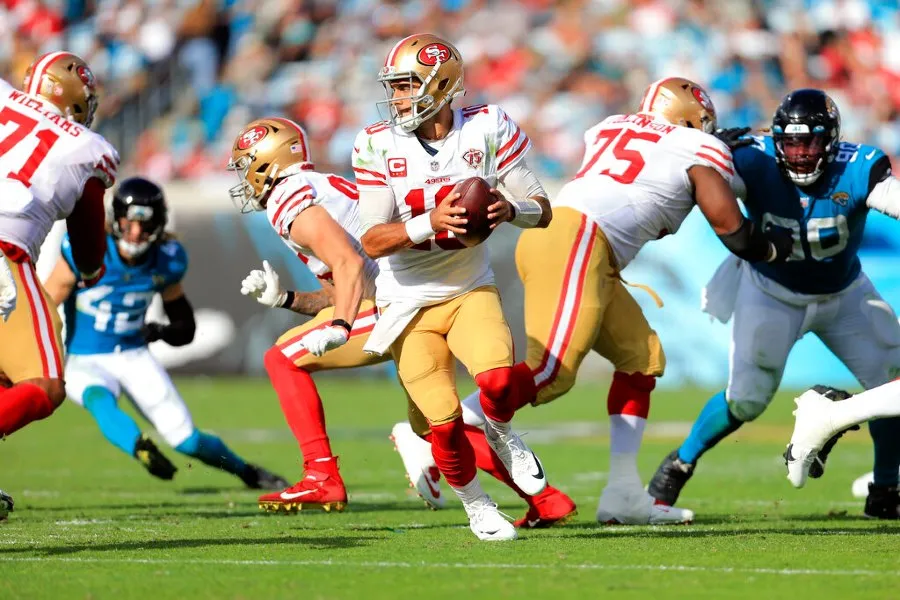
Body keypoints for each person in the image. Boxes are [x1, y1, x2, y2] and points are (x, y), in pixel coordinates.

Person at [232, 115, 574, 523]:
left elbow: (349, 268)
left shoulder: (288, 196)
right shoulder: (315, 186)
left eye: (245, 164)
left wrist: (340, 325)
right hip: (396, 296)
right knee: (435, 426)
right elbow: (342, 285)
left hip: (399, 301)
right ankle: (546, 499)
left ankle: (321, 472)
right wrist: (285, 298)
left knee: (281, 359)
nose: (243, 176)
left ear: (265, 161)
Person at [649, 89, 900, 520]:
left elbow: (891, 199)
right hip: (771, 292)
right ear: (777, 140)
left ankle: (887, 487)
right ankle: (679, 462)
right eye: (791, 143)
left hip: (844, 292)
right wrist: (706, 157)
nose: (801, 155)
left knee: (892, 383)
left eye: (811, 143)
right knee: (746, 400)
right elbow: (691, 186)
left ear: (832, 141)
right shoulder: (753, 160)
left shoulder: (859, 167)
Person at [355, 33, 553, 541]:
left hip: (468, 288)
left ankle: (504, 432)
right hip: (406, 304)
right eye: (394, 87)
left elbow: (541, 207)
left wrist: (512, 210)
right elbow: (373, 240)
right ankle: (476, 505)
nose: (397, 97)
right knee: (441, 425)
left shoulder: (487, 125)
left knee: (499, 384)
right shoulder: (377, 141)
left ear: (442, 85)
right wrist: (428, 221)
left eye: (405, 86)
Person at [44, 177, 287, 490]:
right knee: (97, 398)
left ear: (158, 224)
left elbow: (184, 327)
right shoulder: (86, 250)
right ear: (115, 219)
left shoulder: (167, 259)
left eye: (145, 226)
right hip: (82, 357)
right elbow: (45, 305)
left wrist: (158, 331)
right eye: (129, 223)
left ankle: (247, 472)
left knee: (187, 441)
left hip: (133, 354)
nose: (136, 233)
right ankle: (138, 446)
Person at [0, 52, 118, 518]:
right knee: (44, 385)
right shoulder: (85, 147)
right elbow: (88, 241)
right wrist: (90, 271)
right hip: (5, 253)